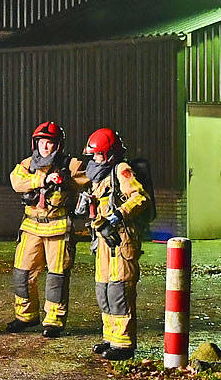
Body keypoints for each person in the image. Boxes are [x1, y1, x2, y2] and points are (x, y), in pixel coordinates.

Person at [8, 121, 87, 335]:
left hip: (59, 229)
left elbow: (91, 178)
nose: (45, 147)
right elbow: (16, 182)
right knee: (21, 273)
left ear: (57, 145)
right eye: (42, 142)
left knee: (57, 277)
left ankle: (54, 321)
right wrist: (42, 179)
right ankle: (25, 316)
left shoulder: (70, 165)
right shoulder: (27, 164)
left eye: (50, 142)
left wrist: (67, 181)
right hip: (31, 227)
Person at [82, 129, 150, 360]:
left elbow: (139, 197)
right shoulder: (100, 175)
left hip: (122, 240)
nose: (95, 159)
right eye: (93, 156)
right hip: (103, 240)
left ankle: (124, 344)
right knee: (104, 290)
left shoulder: (121, 170)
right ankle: (110, 337)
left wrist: (119, 214)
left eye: (99, 155)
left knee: (120, 290)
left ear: (109, 154)